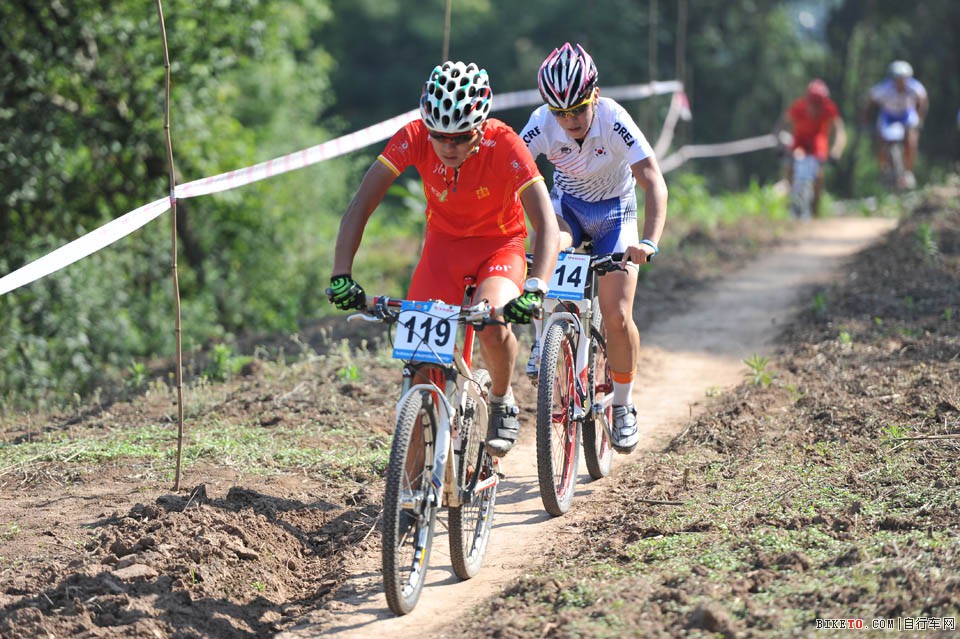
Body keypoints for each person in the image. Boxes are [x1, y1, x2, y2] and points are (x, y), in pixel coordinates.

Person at [328, 61, 560, 458]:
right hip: (443, 249)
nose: (448, 146)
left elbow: (547, 225)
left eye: (460, 137)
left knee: (489, 319)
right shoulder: (414, 136)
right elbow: (361, 205)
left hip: (500, 246)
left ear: (481, 127)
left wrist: (536, 287)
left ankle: (503, 400)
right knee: (420, 368)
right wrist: (341, 274)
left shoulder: (504, 143)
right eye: (439, 136)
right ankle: (412, 500)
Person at [519, 43, 668, 454]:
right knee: (540, 252)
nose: (569, 122)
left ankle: (622, 405)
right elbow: (506, 174)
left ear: (595, 97)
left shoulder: (614, 119)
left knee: (617, 314)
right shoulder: (540, 123)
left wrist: (648, 241)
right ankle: (541, 340)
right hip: (567, 212)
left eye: (578, 110)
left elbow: (652, 179)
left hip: (615, 217)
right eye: (560, 113)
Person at [775, 78, 847, 217]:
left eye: (819, 104)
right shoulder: (798, 107)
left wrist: (836, 151)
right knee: (790, 167)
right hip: (799, 142)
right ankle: (789, 201)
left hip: (818, 142)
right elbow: (781, 124)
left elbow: (840, 131)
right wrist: (779, 146)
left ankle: (815, 209)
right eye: (813, 103)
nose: (815, 107)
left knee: (818, 175)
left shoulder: (829, 109)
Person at [866, 60, 928, 189]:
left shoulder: (915, 87)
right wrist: (866, 119)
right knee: (881, 140)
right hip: (888, 115)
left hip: (907, 114)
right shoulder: (883, 88)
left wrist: (920, 118)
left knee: (911, 140)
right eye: (897, 79)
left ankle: (908, 171)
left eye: (903, 79)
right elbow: (870, 101)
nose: (900, 82)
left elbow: (923, 101)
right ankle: (883, 169)